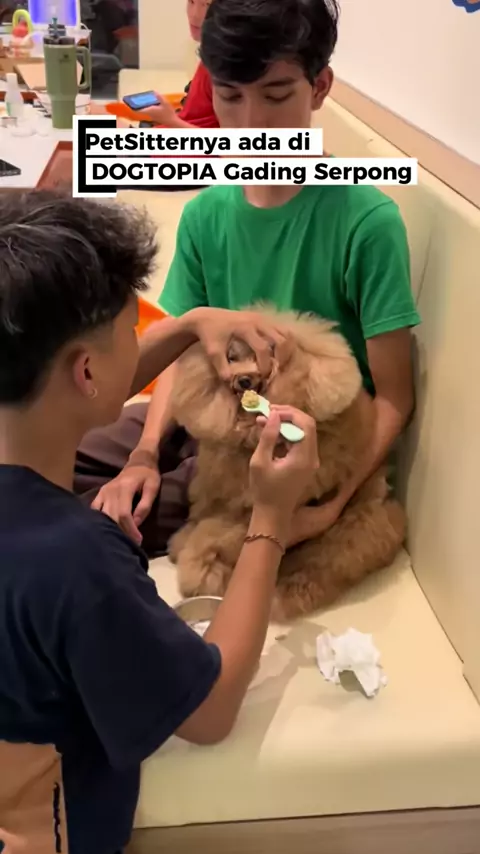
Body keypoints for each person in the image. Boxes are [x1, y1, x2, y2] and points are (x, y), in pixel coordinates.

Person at [0, 189, 318, 854]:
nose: (139, 341)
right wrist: (270, 515)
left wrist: (189, 324)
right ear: (86, 370)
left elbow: (80, 385)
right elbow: (210, 710)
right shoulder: (77, 559)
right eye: (132, 330)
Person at [75, 0, 420, 555]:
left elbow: (395, 399)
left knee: (91, 525)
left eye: (276, 95)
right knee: (42, 449)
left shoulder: (367, 222)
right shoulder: (206, 214)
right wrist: (144, 453)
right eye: (230, 96)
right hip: (207, 412)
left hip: (295, 447)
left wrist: (330, 509)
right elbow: (180, 353)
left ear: (320, 86)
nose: (252, 123)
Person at [136, 0, 217, 131]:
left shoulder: (224, 65)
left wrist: (171, 120)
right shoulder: (209, 54)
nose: (194, 15)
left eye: (206, 5)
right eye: (191, 2)